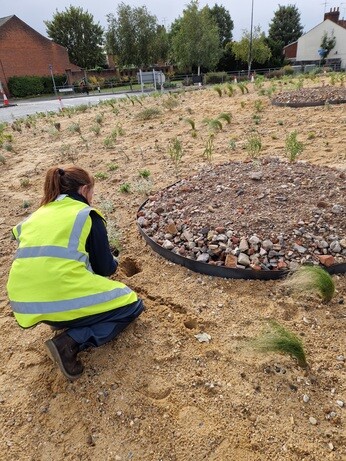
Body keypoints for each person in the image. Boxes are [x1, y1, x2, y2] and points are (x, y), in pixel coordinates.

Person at [7, 165, 144, 380]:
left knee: (65, 279)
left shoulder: (35, 216)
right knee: (131, 302)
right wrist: (112, 258)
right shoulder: (86, 215)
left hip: (23, 301)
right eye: (92, 192)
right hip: (57, 294)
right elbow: (104, 269)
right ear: (84, 190)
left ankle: (61, 319)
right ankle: (70, 342)